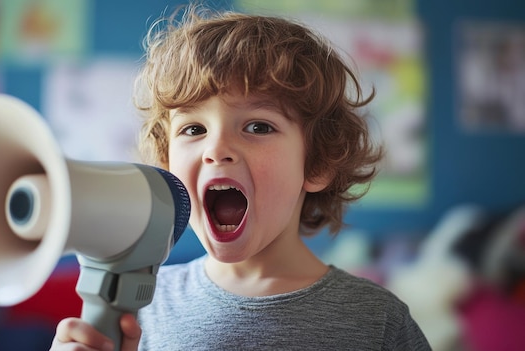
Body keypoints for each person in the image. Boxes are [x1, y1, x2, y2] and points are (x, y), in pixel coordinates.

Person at [50, 4, 431, 351]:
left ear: (316, 165)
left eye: (258, 126)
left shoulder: (378, 321)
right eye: (194, 129)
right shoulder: (141, 311)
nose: (216, 148)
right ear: (167, 165)